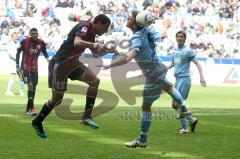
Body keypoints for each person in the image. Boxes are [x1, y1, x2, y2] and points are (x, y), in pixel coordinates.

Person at [98, 11, 191, 148]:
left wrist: (111, 64)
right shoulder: (147, 30)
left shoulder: (136, 36)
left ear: (135, 24)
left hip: (152, 74)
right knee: (169, 87)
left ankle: (143, 139)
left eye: (130, 18)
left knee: (145, 107)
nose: (128, 19)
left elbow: (129, 57)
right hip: (159, 68)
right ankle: (185, 109)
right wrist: (165, 25)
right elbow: (163, 35)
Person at [32, 14, 117, 138]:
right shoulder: (85, 26)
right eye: (106, 28)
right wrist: (94, 45)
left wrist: (107, 50)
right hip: (60, 64)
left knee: (95, 81)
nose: (105, 31)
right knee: (57, 100)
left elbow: (96, 54)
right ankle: (37, 121)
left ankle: (86, 117)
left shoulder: (92, 35)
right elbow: (77, 42)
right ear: (100, 23)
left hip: (73, 64)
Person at [167, 30, 206, 134]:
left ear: (185, 39)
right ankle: (192, 120)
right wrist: (165, 68)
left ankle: (185, 128)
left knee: (179, 104)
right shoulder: (175, 50)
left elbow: (197, 63)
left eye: (181, 36)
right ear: (176, 38)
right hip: (177, 80)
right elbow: (174, 63)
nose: (179, 38)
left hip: (185, 79)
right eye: (178, 36)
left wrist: (201, 77)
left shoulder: (188, 50)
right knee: (174, 105)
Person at [16, 28, 50, 115]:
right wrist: (17, 66)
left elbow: (45, 52)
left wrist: (49, 60)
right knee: (30, 85)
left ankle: (29, 109)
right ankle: (31, 109)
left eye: (36, 33)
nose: (35, 35)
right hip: (25, 67)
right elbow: (18, 52)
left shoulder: (41, 42)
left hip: (35, 68)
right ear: (30, 34)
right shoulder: (24, 41)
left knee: (34, 88)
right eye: (33, 33)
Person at [5, 32, 24, 96]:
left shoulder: (18, 43)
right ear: (12, 37)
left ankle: (21, 91)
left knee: (21, 76)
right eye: (15, 36)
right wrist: (17, 59)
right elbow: (10, 55)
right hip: (13, 62)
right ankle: (8, 91)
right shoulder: (10, 44)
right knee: (13, 75)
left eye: (17, 36)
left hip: (18, 62)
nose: (16, 37)